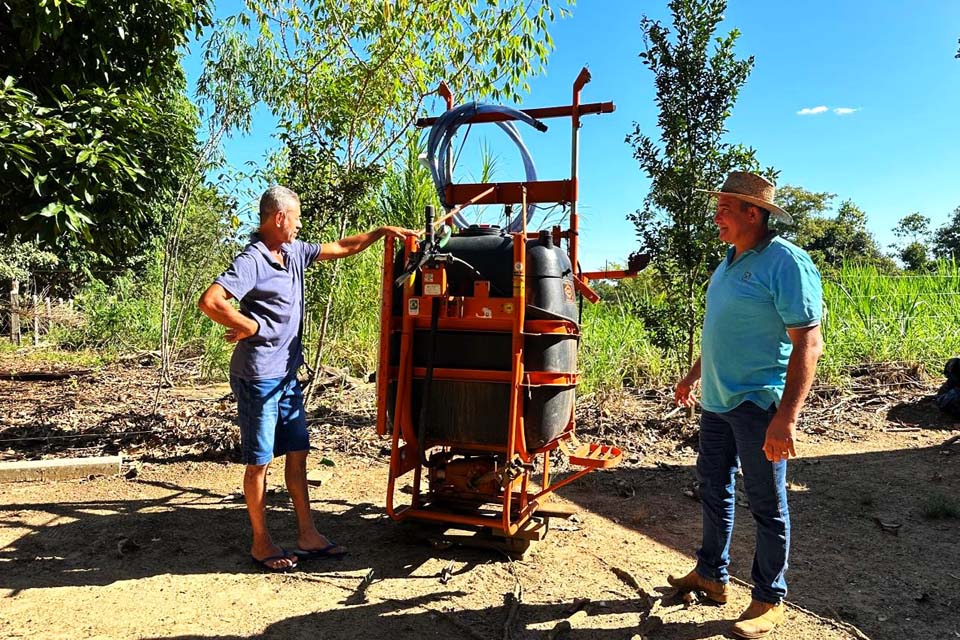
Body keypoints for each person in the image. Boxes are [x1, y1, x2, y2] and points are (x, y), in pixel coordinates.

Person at [198, 185, 418, 572]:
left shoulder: (294, 253)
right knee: (259, 462)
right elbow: (211, 301)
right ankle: (261, 542)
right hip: (258, 377)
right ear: (279, 217)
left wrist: (382, 231)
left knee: (298, 453)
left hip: (286, 376)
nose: (299, 225)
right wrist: (248, 325)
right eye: (296, 217)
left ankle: (307, 534)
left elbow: (343, 247)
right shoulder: (253, 259)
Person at [668, 172, 824, 638]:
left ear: (751, 214)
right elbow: (720, 329)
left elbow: (808, 344)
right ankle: (711, 575)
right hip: (716, 402)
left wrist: (786, 418)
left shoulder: (786, 263)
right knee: (713, 489)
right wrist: (693, 376)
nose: (716, 217)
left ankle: (768, 597)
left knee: (767, 502)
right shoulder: (728, 261)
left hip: (758, 404)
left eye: (724, 209)